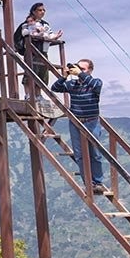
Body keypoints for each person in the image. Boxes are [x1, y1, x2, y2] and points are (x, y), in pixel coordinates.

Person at [51, 59, 106, 194]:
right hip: (76, 122)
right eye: (78, 68)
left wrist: (80, 74)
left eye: (83, 69)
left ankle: (97, 182)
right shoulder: (72, 84)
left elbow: (96, 85)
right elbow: (55, 88)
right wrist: (64, 76)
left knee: (95, 153)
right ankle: (88, 183)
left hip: (91, 121)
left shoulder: (95, 82)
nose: (79, 71)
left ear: (90, 71)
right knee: (79, 154)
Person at [17, 3, 63, 97]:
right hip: (31, 50)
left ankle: (38, 95)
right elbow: (24, 33)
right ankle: (28, 95)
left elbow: (49, 35)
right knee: (30, 72)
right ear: (34, 11)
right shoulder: (27, 23)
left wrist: (55, 36)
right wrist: (34, 35)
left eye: (43, 10)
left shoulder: (45, 24)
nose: (42, 12)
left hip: (43, 51)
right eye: (40, 10)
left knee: (42, 73)